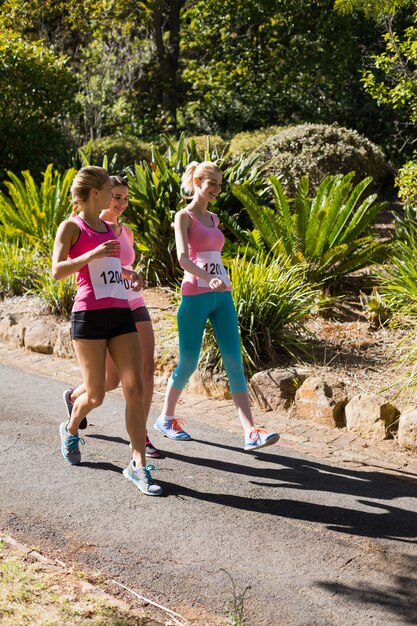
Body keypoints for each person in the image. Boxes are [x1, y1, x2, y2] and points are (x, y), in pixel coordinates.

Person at [153, 161, 280, 451]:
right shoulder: (183, 217)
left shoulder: (214, 219)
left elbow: (214, 255)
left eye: (220, 184)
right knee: (188, 362)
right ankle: (165, 417)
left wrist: (219, 278)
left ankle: (250, 432)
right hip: (195, 295)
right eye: (213, 183)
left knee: (234, 361)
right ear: (197, 181)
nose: (217, 189)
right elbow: (183, 259)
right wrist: (207, 277)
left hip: (223, 295)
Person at [52, 165, 162, 496]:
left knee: (134, 386)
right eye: (107, 189)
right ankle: (71, 428)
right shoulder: (71, 226)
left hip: (120, 312)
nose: (112, 195)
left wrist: (128, 273)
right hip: (88, 316)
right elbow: (57, 270)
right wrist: (93, 253)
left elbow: (108, 266)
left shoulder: (109, 228)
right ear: (95, 192)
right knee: (97, 393)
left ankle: (138, 465)